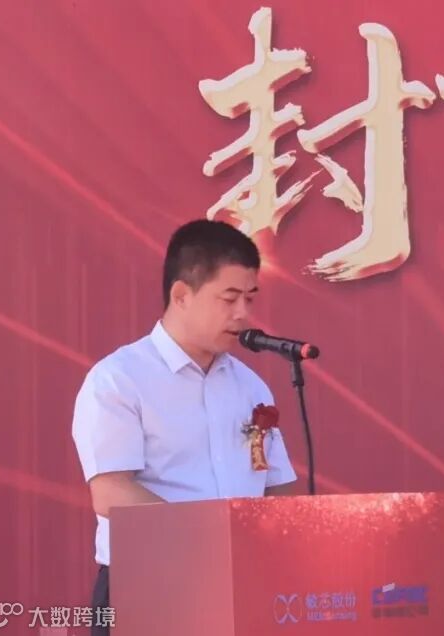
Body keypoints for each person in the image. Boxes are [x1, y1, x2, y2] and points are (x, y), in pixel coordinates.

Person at [71, 219, 297, 635]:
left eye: (249, 298)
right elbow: (111, 492)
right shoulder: (119, 379)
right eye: (229, 298)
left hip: (242, 583)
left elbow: (277, 486)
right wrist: (211, 542)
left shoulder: (250, 386)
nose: (243, 314)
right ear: (181, 295)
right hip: (149, 584)